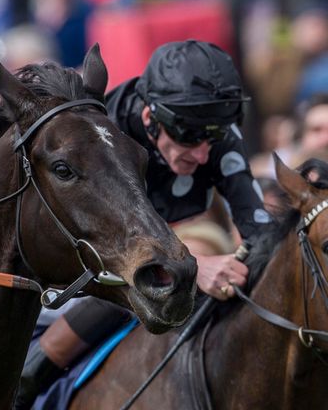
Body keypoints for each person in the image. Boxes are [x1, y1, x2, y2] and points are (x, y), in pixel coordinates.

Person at [14, 40, 271, 409]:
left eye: (211, 139)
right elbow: (109, 248)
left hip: (148, 259)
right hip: (75, 272)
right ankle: (29, 376)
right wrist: (197, 268)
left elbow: (261, 234)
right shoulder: (107, 134)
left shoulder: (215, 138)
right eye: (190, 138)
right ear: (151, 117)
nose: (201, 154)